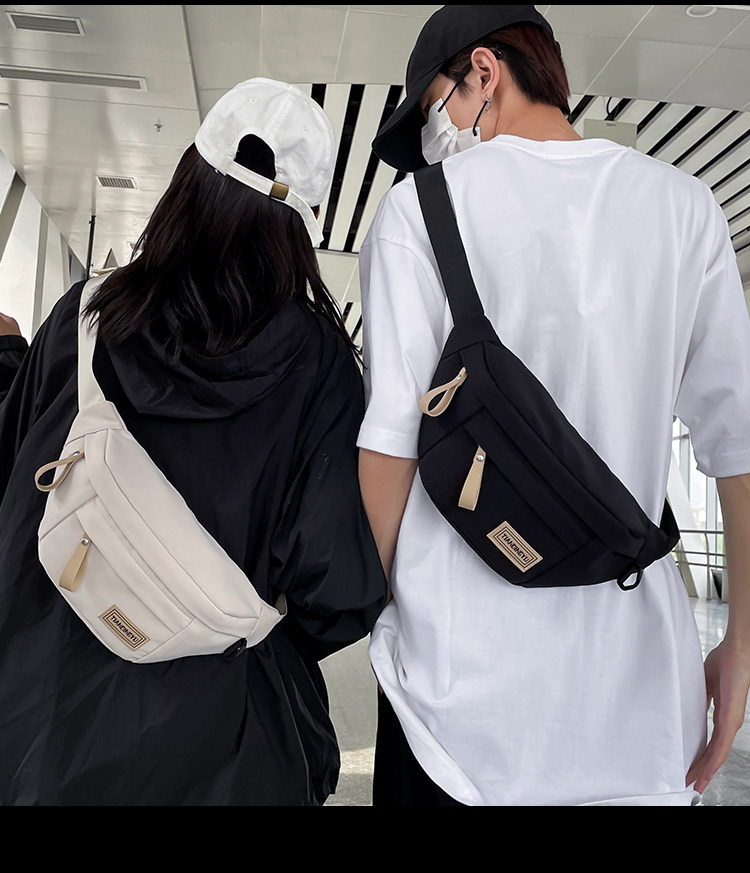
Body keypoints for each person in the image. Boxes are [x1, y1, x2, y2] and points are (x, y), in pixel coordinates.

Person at [357, 5, 750, 807]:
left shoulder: (416, 212)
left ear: (484, 72)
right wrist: (741, 641)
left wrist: (399, 605)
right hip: (642, 712)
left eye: (434, 110)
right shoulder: (687, 209)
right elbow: (738, 449)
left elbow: (389, 450)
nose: (434, 138)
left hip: (455, 708)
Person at [0, 77, 387, 806]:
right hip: (213, 736)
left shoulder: (88, 315)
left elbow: (12, 469)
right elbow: (335, 584)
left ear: (190, 174)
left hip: (41, 710)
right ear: (300, 222)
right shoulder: (321, 367)